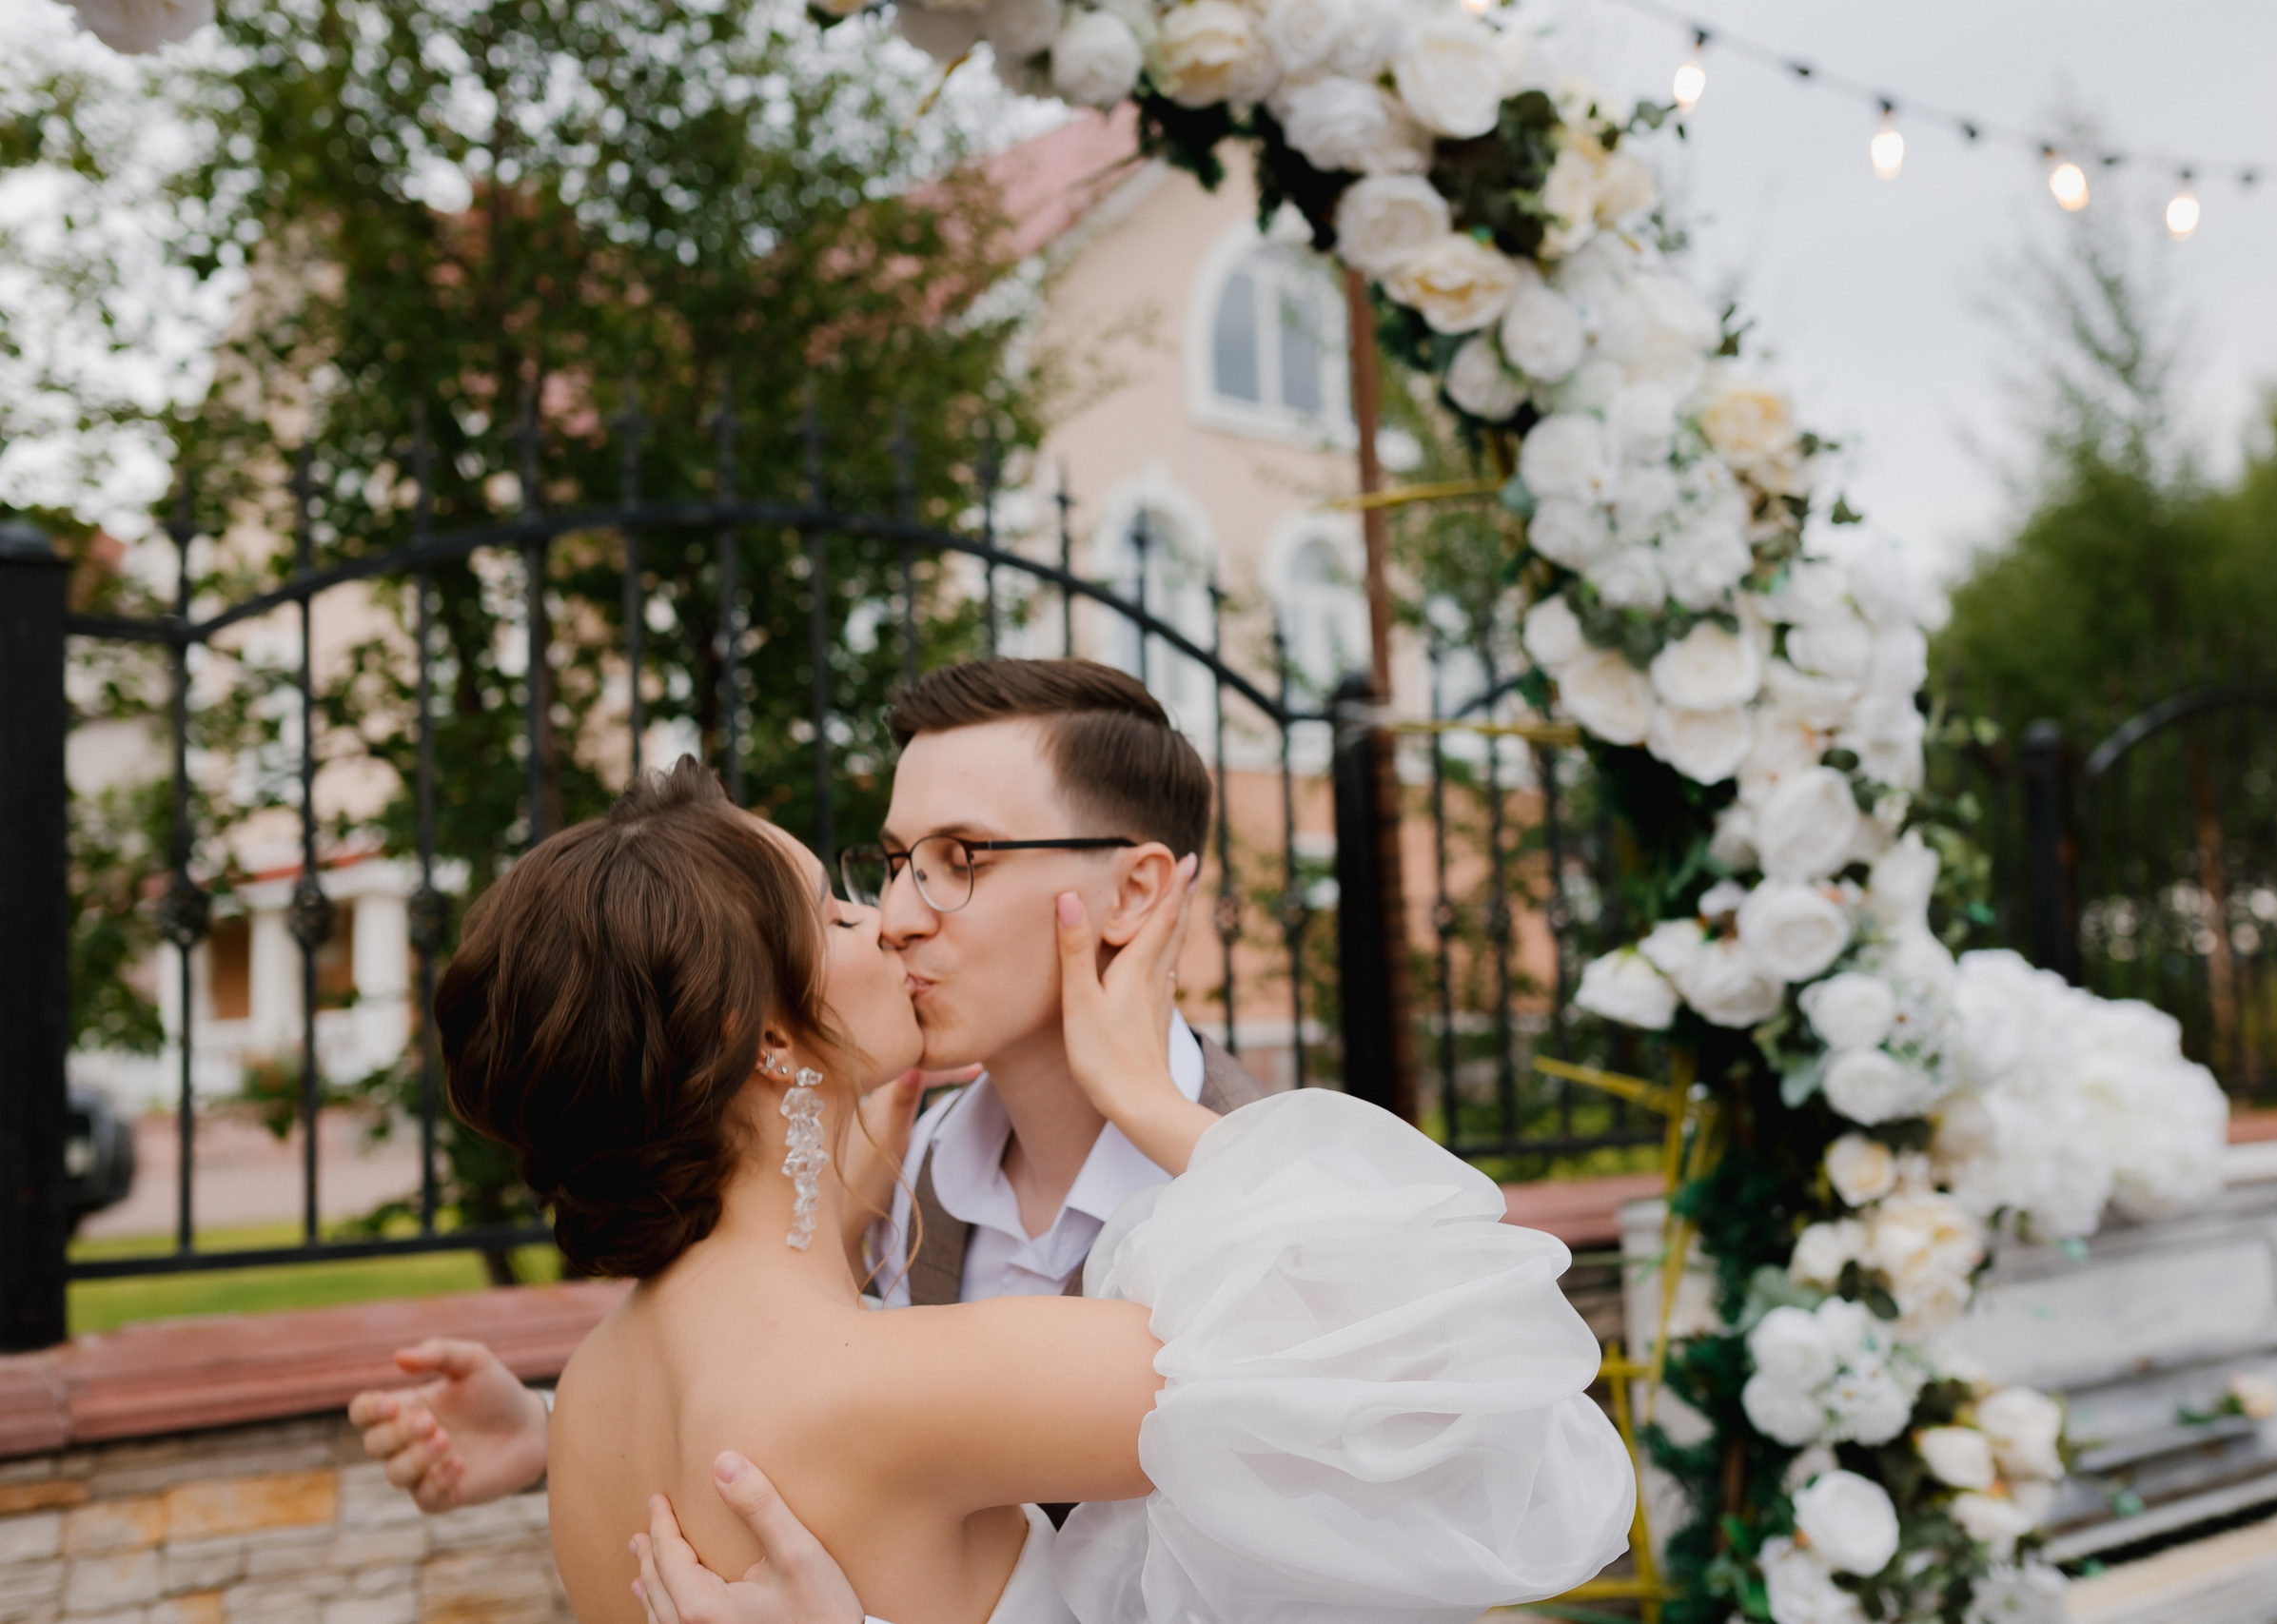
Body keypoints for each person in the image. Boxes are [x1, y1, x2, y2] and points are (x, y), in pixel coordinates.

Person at [433, 755, 1629, 1623]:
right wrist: (1145, 1096)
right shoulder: (889, 1391)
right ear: (764, 1042)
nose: (891, 924)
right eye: (838, 908)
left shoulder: (583, 1409)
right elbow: (1440, 1384)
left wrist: (837, 1159)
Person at [349, 661, 1267, 1510]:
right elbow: (787, 1401)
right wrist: (560, 1436)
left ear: (1138, 891)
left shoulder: (1287, 1202)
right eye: (897, 863)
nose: (898, 916)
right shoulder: (887, 1162)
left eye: (962, 861)